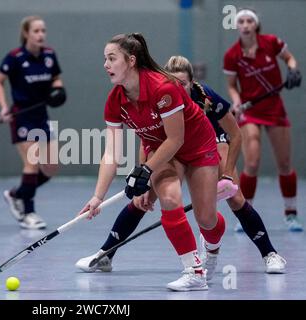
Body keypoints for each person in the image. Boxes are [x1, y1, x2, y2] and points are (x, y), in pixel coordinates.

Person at [75, 55, 287, 279]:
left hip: (210, 142)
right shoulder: (162, 96)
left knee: (235, 199)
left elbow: (234, 134)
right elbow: (147, 140)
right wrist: (142, 177)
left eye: (183, 84)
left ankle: (270, 253)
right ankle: (106, 253)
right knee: (143, 198)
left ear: (192, 82)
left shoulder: (206, 96)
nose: (177, 87)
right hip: (173, 148)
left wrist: (228, 173)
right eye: (173, 82)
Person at [77, 33, 227, 291]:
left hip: (197, 144)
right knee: (169, 196)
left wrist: (145, 170)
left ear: (131, 61)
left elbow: (176, 139)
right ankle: (194, 271)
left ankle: (212, 246)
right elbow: (112, 153)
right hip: (162, 148)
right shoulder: (116, 100)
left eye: (112, 58)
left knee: (206, 219)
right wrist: (97, 197)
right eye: (105, 59)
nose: (106, 65)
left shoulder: (163, 88)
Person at [223, 8, 302, 232]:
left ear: (255, 24)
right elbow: (231, 85)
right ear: (237, 26)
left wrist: (293, 69)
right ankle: (245, 214)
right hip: (251, 111)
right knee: (252, 163)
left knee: (285, 164)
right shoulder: (232, 55)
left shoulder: (271, 42)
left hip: (274, 108)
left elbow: (289, 58)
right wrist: (237, 101)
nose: (246, 24)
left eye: (249, 21)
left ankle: (291, 214)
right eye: (241, 21)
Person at [0, 15, 66, 229]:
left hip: (41, 116)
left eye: (43, 30)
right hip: (21, 116)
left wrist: (58, 90)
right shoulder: (15, 57)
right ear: (26, 33)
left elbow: (56, 78)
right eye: (36, 31)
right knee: (32, 162)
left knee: (51, 167)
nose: (41, 34)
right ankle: (28, 212)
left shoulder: (49, 55)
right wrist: (4, 106)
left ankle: (16, 194)